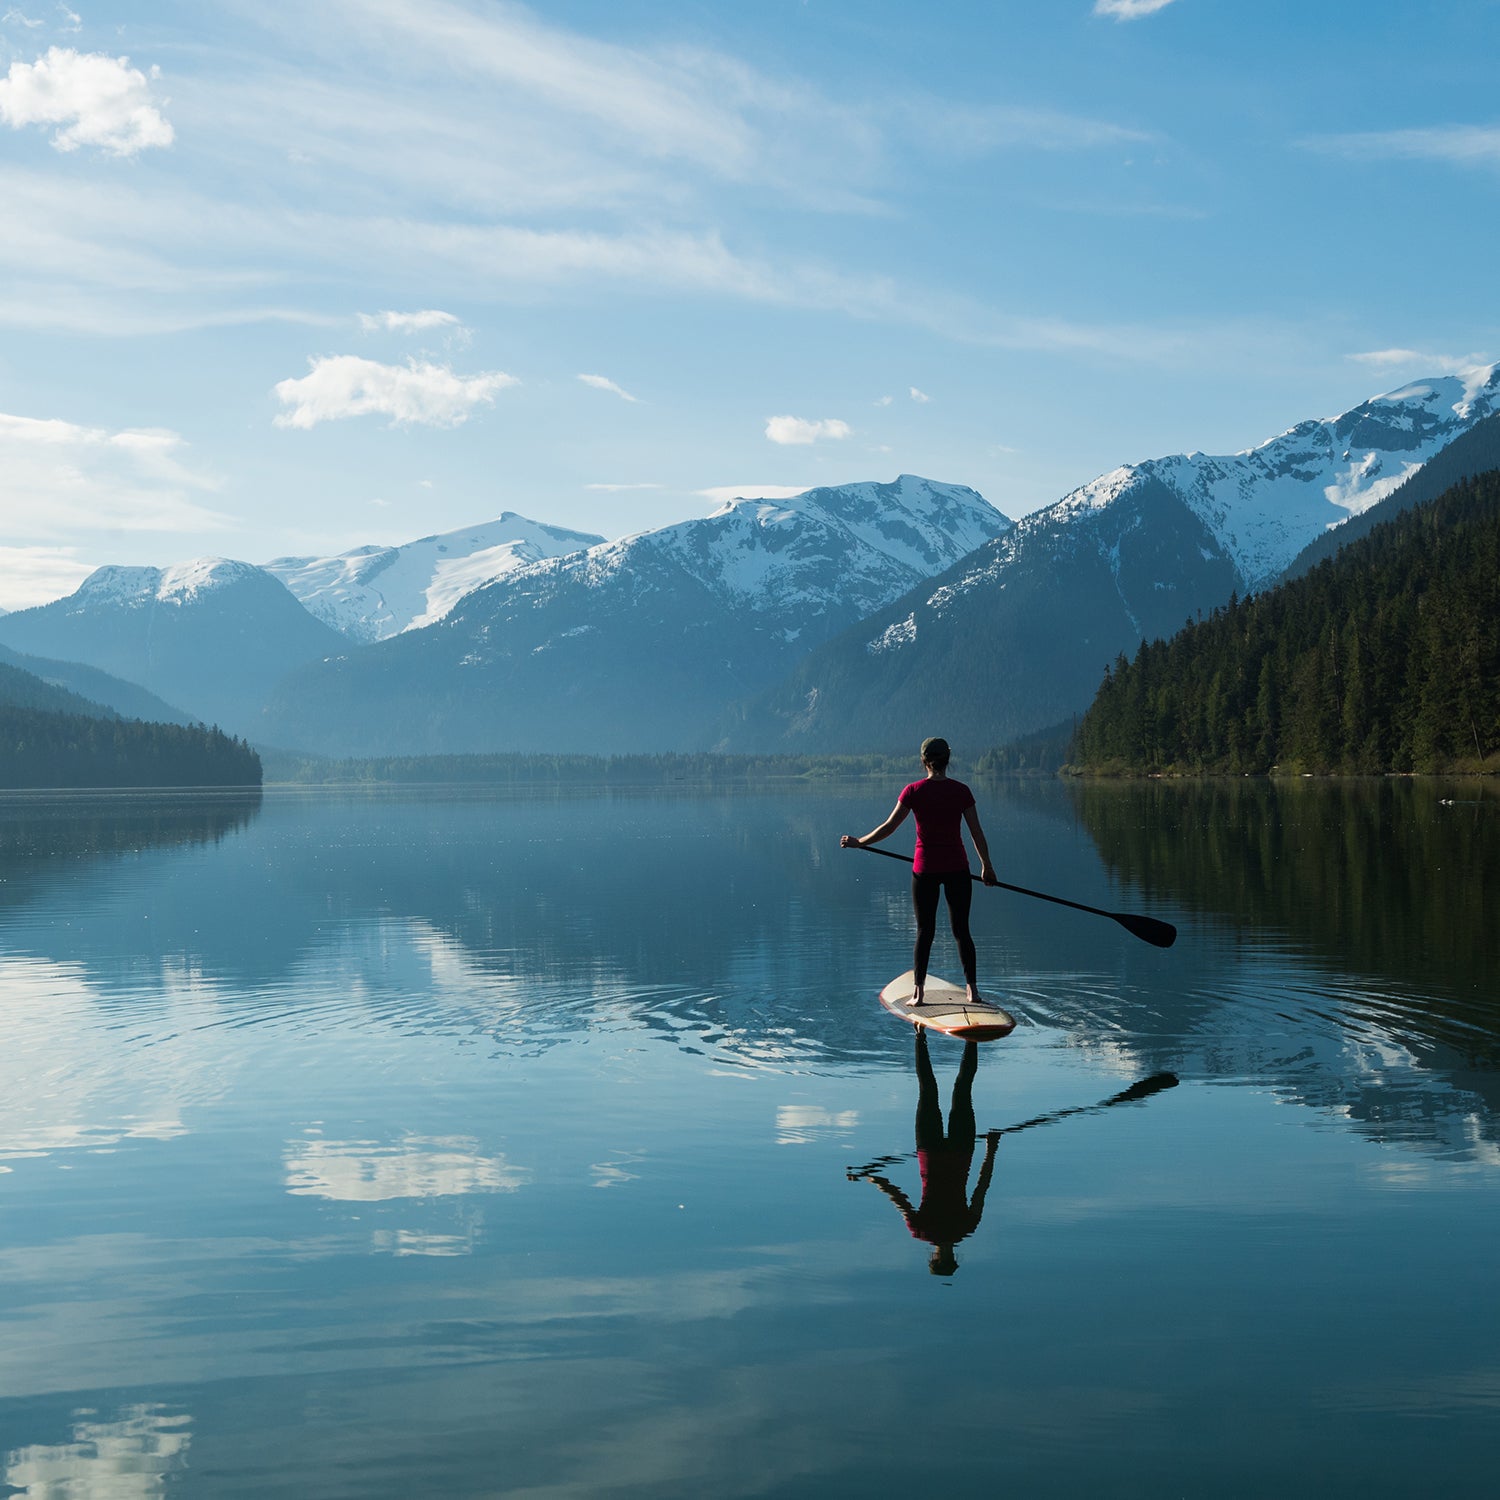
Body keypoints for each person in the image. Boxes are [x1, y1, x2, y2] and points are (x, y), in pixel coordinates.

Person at [841, 736, 997, 1006]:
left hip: (924, 870)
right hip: (957, 868)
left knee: (925, 931)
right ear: (948, 761)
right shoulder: (962, 791)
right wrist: (987, 867)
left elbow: (889, 827)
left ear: (923, 761)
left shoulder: (913, 791)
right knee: (962, 930)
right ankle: (972, 990)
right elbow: (976, 833)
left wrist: (859, 843)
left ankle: (919, 993)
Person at [849, 1030, 1001, 1276]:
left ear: (951, 1259)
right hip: (931, 1151)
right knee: (929, 1089)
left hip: (959, 1152)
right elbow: (896, 1197)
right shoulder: (921, 1231)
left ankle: (971, 1038)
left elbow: (982, 1186)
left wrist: (991, 1149)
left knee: (962, 1089)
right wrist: (875, 1180)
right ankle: (920, 1036)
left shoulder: (966, 1228)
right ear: (934, 1258)